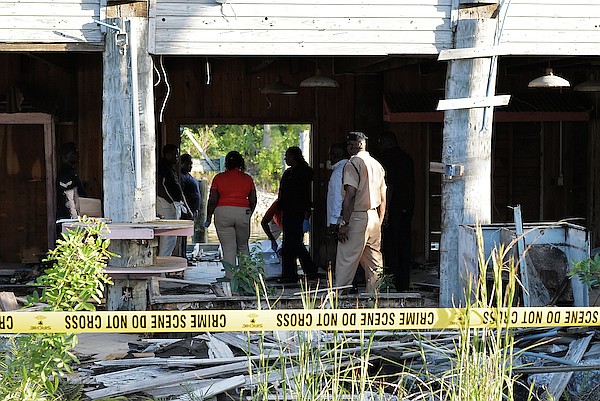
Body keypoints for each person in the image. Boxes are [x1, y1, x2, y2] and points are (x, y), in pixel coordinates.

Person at [336, 131, 387, 293]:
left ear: (354, 145)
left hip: (357, 216)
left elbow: (350, 194)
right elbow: (383, 196)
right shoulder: (377, 165)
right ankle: (375, 298)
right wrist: (379, 220)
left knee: (346, 260)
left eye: (349, 145)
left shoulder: (353, 164)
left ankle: (339, 297)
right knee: (374, 263)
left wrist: (344, 223)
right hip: (373, 216)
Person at [204, 151, 257, 273]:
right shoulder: (247, 178)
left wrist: (208, 218)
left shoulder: (218, 178)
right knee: (243, 247)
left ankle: (230, 284)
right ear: (241, 163)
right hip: (243, 212)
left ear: (226, 163)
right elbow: (253, 199)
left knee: (228, 249)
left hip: (222, 213)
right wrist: (249, 214)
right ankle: (247, 280)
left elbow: (212, 200)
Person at [378, 131, 415, 291]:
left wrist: (384, 211)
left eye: (381, 142)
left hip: (393, 206)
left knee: (391, 245)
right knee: (404, 243)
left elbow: (389, 186)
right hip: (408, 205)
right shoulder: (408, 158)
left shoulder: (386, 158)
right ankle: (404, 282)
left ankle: (392, 282)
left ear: (388, 142)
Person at [276, 146, 318, 284]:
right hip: (288, 211)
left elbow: (307, 195)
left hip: (299, 212)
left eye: (287, 156)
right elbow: (282, 194)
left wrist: (306, 216)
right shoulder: (288, 173)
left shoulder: (305, 172)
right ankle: (303, 270)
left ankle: (293, 273)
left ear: (294, 156)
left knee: (293, 244)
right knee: (290, 243)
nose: (285, 158)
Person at [157, 144, 188, 256]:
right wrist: (170, 201)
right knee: (168, 236)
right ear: (168, 155)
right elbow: (160, 186)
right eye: (175, 154)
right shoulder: (163, 167)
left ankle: (165, 265)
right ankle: (163, 268)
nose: (177, 157)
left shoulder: (169, 167)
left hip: (171, 203)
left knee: (171, 238)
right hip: (166, 204)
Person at [325, 143, 348, 269]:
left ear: (334, 155)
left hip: (338, 219)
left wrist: (333, 221)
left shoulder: (338, 172)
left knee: (341, 250)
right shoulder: (349, 168)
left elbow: (338, 198)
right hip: (345, 217)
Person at [56, 141, 87, 221]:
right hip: (69, 216)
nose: (77, 155)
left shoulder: (71, 171)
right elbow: (68, 196)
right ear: (65, 156)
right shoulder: (64, 173)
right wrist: (74, 216)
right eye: (73, 153)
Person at [180, 153, 202, 257]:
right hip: (186, 210)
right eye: (188, 163)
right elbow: (182, 194)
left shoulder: (187, 175)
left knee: (186, 234)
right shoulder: (182, 176)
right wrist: (188, 209)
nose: (190, 166)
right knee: (183, 234)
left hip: (192, 209)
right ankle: (182, 255)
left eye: (191, 163)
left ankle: (184, 255)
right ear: (182, 164)